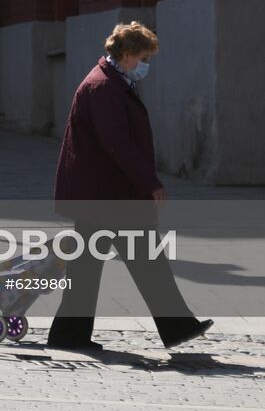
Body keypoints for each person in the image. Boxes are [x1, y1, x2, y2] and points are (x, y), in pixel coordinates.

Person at [46, 21, 213, 351]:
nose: (145, 65)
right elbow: (118, 144)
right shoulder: (104, 89)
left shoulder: (111, 82)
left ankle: (71, 335)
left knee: (96, 268)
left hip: (104, 195)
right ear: (125, 54)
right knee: (136, 263)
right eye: (143, 57)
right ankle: (174, 327)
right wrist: (149, 183)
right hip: (108, 196)